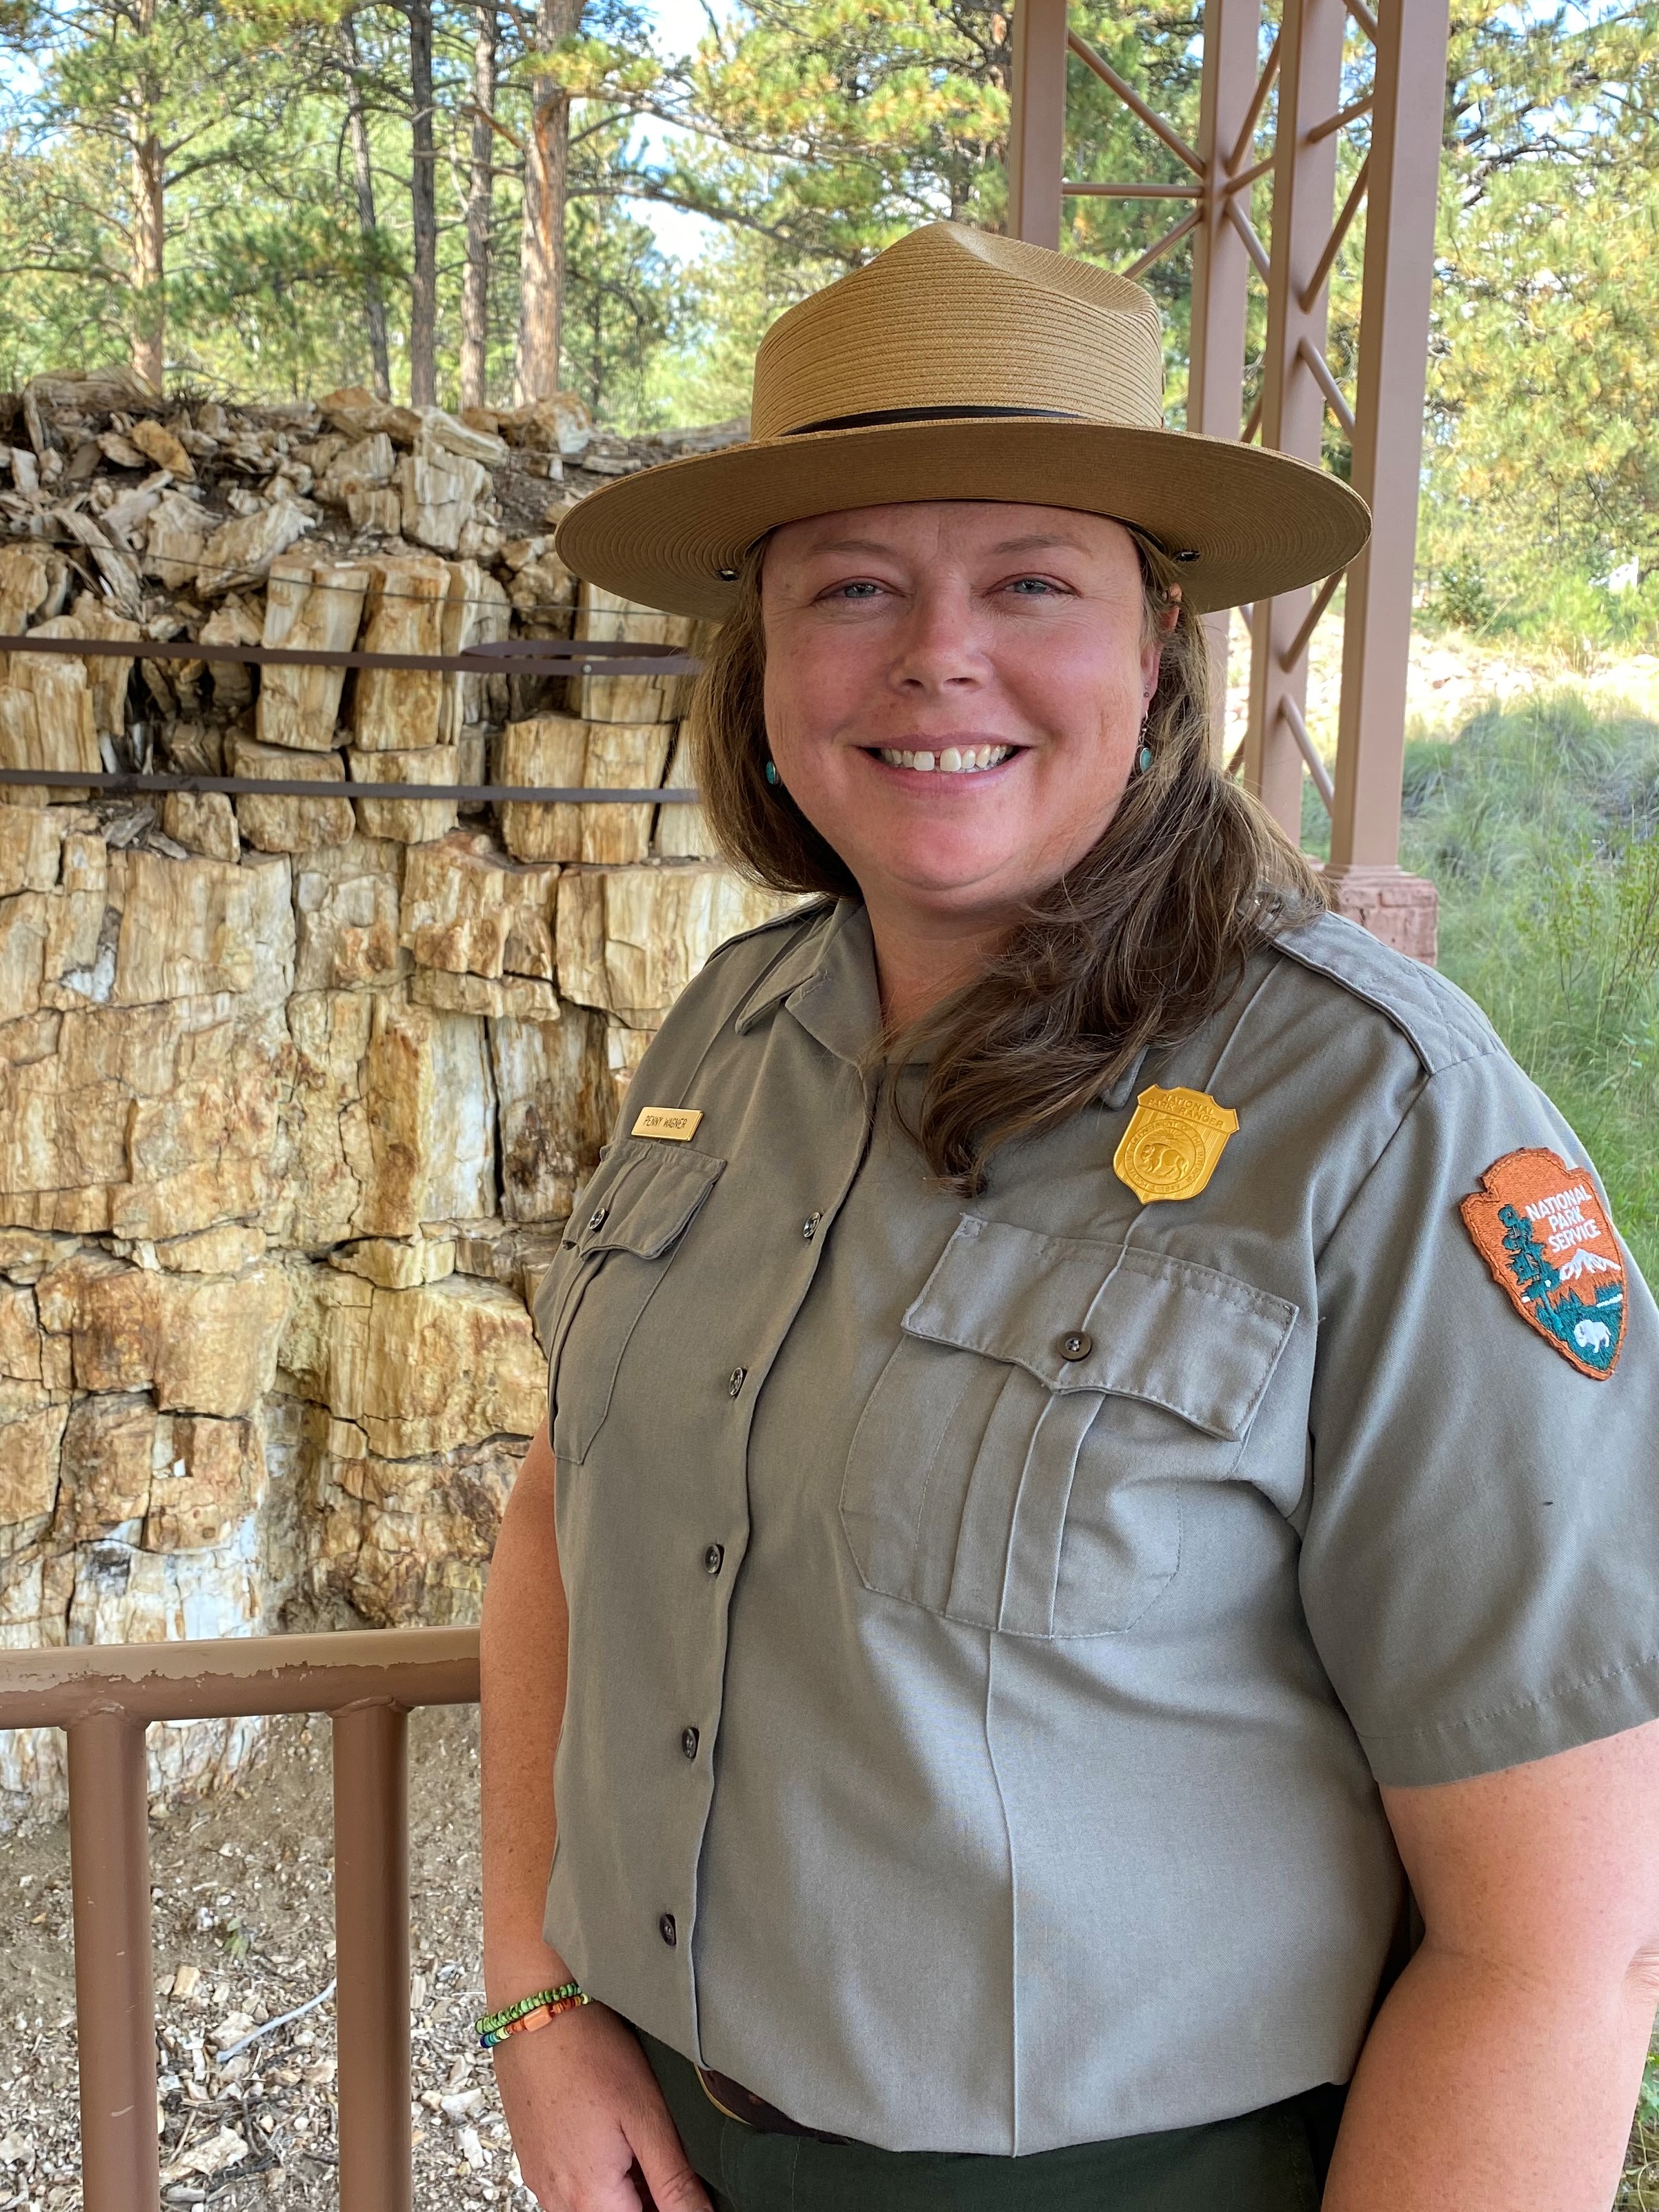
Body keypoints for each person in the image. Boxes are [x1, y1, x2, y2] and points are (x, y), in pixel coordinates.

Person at [479, 224, 1659, 2212]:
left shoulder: (1379, 1121)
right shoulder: (734, 1028)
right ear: (762, 665)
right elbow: (558, 1517)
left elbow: (1563, 1937)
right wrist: (536, 2004)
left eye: (1032, 582)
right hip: (659, 2145)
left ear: (1159, 650)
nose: (939, 658)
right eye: (851, 586)